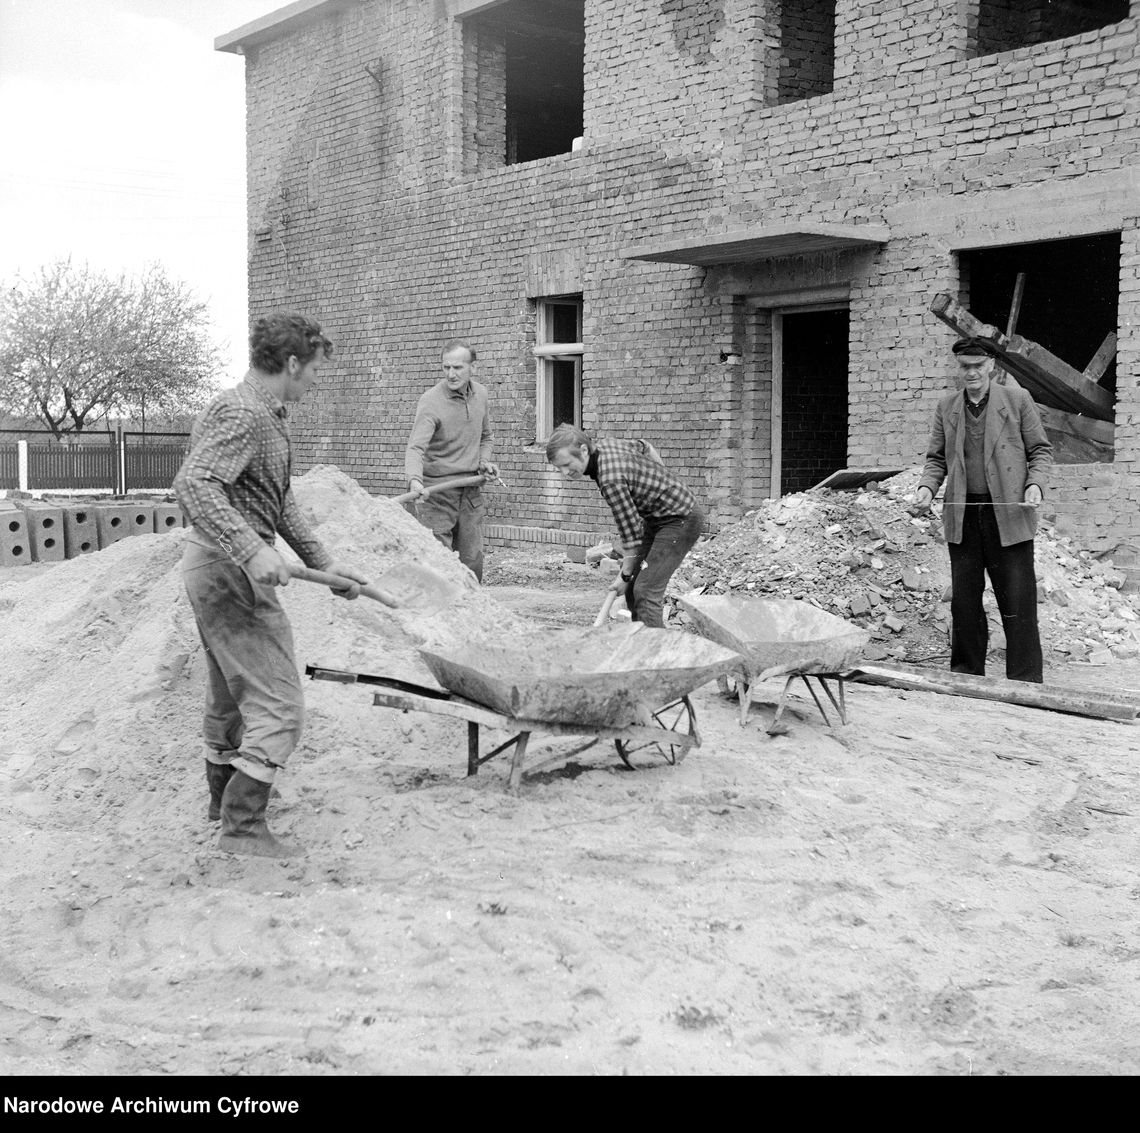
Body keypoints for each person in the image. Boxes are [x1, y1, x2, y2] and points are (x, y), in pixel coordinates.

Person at [174, 313, 369, 858]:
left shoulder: (267, 415)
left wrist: (327, 566)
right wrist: (251, 549)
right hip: (227, 572)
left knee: (229, 699)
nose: (314, 381)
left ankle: (222, 804)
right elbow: (193, 484)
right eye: (312, 370)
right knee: (281, 704)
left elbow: (277, 502)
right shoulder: (240, 412)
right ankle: (242, 828)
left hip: (217, 569)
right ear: (289, 363)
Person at [914, 336, 1053, 683]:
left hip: (1009, 514)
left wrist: (1034, 485)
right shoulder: (947, 407)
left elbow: (1040, 451)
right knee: (965, 601)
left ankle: (1024, 681)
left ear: (992, 365)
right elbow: (935, 459)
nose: (972, 373)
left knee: (1018, 600)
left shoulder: (1017, 400)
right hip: (963, 515)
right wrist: (925, 488)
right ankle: (966, 674)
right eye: (965, 367)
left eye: (978, 366)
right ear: (958, 368)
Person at [546, 424, 703, 628]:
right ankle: (640, 644)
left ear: (583, 450)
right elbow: (645, 447)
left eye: (566, 464)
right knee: (632, 588)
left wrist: (625, 575)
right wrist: (662, 476)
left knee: (645, 592)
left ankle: (658, 654)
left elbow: (631, 538)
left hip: (681, 519)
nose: (564, 472)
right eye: (559, 468)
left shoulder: (609, 480)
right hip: (658, 518)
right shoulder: (606, 446)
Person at [404, 340, 497, 582]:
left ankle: (472, 616)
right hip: (437, 495)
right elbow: (415, 448)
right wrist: (414, 481)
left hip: (470, 492)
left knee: (472, 563)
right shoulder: (431, 401)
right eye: (446, 368)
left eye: (457, 368)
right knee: (438, 566)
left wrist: (484, 461)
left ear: (472, 368)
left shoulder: (481, 395)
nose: (451, 374)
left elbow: (486, 436)